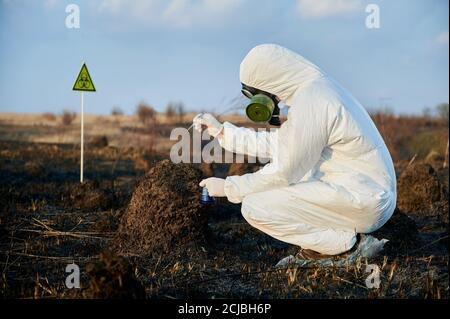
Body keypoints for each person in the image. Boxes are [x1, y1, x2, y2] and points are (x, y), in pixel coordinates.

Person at [193, 44, 396, 258]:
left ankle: (346, 247)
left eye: (255, 93)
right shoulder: (315, 92)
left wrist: (229, 187)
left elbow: (284, 170)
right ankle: (334, 242)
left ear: (269, 80)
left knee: (256, 206)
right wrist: (222, 133)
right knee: (290, 181)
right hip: (362, 191)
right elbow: (283, 145)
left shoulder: (314, 100)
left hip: (364, 198)